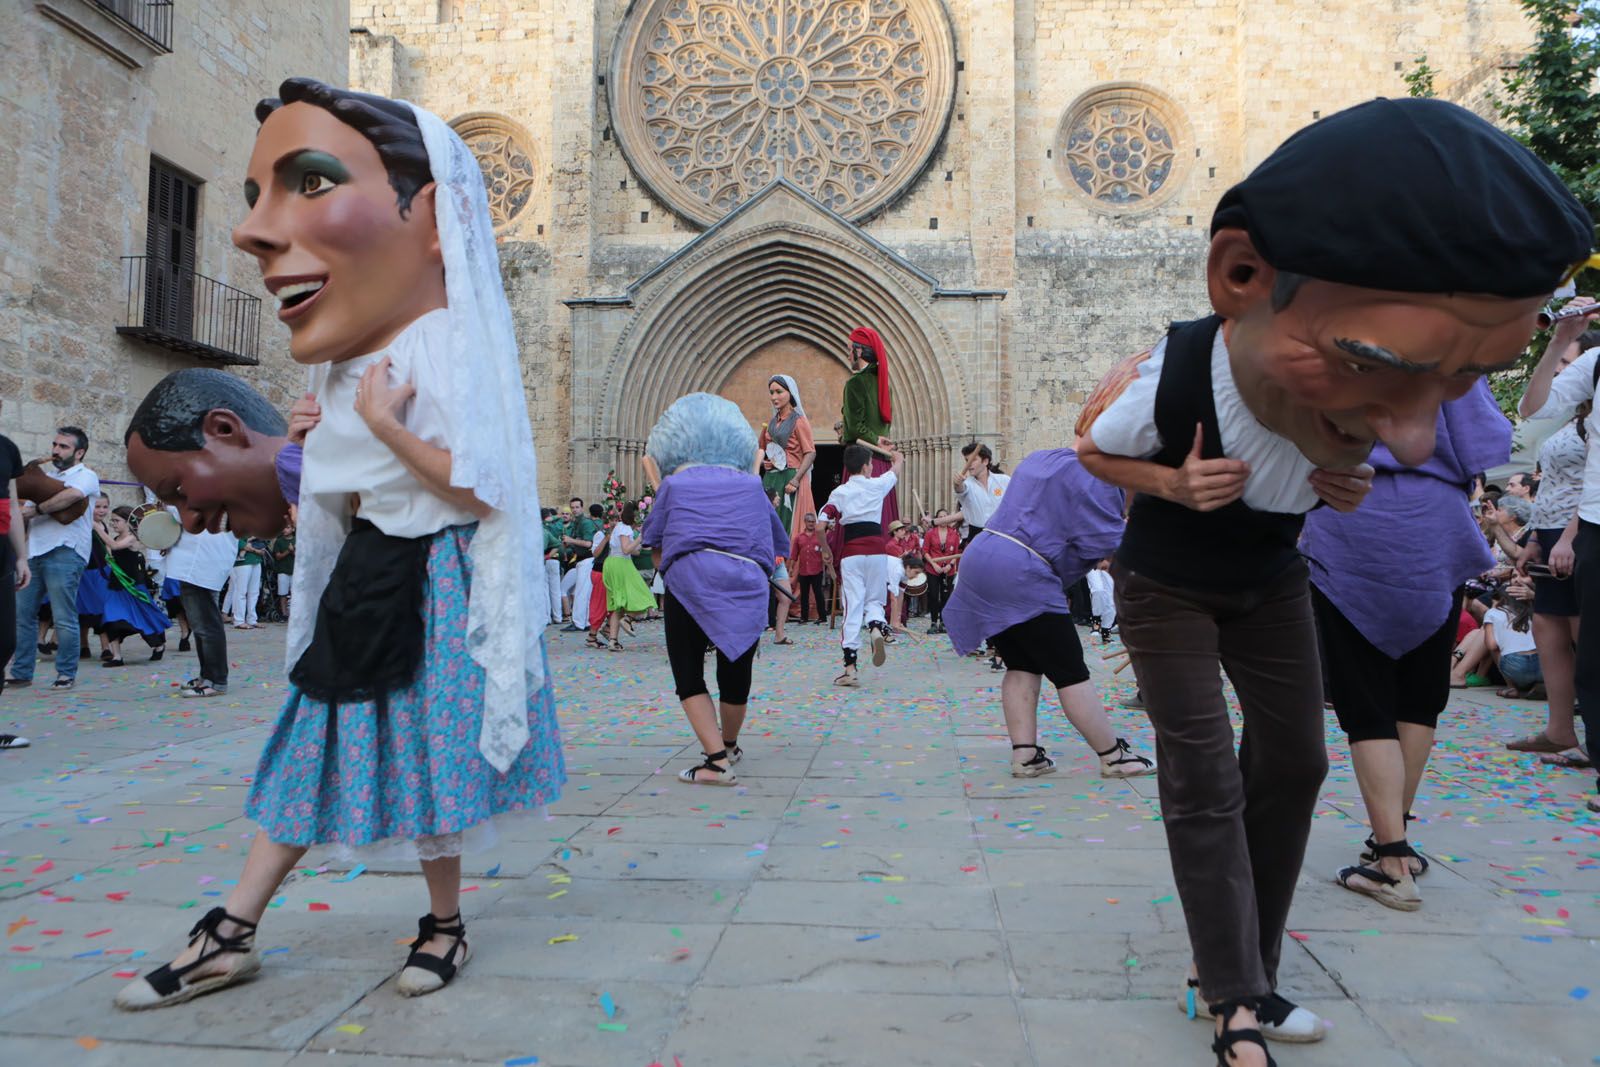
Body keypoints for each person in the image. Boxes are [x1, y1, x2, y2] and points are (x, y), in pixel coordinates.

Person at [1075, 97, 1591, 1064]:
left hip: (1270, 573)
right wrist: (1171, 482)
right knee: (1199, 771)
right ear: (1242, 277)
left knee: (1299, 761)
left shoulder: (1373, 408)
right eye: (1374, 364)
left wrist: (1336, 486)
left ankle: (1239, 968)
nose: (1412, 434)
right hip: (1169, 580)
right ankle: (1236, 995)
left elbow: (1372, 455)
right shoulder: (1177, 371)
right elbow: (1090, 452)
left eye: (1457, 380)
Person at [116, 78, 563, 1010]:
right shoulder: (359, 345)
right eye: (255, 198)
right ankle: (242, 925)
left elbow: (481, 485)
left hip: (431, 574)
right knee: (325, 738)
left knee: (408, 751)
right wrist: (330, 437)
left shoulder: (441, 342)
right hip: (377, 568)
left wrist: (384, 428)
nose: (255, 230)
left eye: (311, 183)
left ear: (432, 216)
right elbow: (366, 484)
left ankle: (305, 927)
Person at [1304, 381, 1508, 913]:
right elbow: (1488, 443)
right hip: (1434, 526)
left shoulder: (1332, 347)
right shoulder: (1449, 346)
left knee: (1365, 700)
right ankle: (1390, 844)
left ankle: (1391, 859)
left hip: (1350, 518)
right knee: (1419, 697)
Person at [942, 448, 1155, 780]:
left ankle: (1025, 755)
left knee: (1022, 663)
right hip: (1021, 571)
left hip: (982, 556)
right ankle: (1113, 757)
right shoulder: (1104, 486)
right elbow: (1112, 549)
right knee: (1070, 671)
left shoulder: (1048, 460)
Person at [640, 393, 789, 785]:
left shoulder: (674, 486)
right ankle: (730, 744)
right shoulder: (750, 487)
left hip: (690, 583)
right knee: (736, 671)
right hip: (745, 585)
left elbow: (656, 551)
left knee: (689, 673)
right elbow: (771, 546)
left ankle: (715, 761)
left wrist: (660, 485)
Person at [1508, 324, 1595, 766]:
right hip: (1551, 533)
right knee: (1549, 627)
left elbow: (1591, 486)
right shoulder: (1570, 419)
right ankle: (1560, 729)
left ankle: (1590, 742)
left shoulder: (1592, 425)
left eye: (1568, 364)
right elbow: (1555, 484)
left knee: (1586, 639)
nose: (1563, 371)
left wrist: (1568, 537)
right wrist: (1535, 540)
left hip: (1579, 534)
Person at [7, 426, 99, 692]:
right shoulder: (45, 476)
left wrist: (36, 510)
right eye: (55, 445)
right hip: (34, 551)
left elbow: (71, 497)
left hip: (66, 550)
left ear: (79, 452)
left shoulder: (87, 475)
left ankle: (65, 673)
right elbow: (21, 512)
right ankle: (22, 672)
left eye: (64, 447)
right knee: (22, 614)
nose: (56, 451)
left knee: (63, 615)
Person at [817, 443, 901, 687]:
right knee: (874, 600)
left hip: (852, 552)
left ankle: (850, 668)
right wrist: (896, 454)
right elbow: (897, 467)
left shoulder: (839, 493)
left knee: (852, 605)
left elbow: (821, 525)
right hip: (877, 551)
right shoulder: (877, 484)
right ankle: (875, 626)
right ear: (866, 467)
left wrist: (825, 551)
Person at [838, 326, 898, 527]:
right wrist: (878, 439)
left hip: (861, 461)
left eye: (849, 350)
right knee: (883, 521)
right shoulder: (882, 384)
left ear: (859, 351)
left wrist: (849, 433)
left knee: (856, 520)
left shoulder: (856, 383)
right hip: (882, 462)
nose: (848, 355)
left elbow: (855, 428)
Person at [97, 506, 172, 666]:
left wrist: (96, 527)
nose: (113, 524)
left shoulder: (131, 539)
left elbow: (115, 547)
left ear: (128, 522)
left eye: (117, 520)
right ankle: (117, 657)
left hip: (134, 588)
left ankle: (158, 645)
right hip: (116, 586)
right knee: (111, 618)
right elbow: (111, 551)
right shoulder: (116, 538)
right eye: (112, 521)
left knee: (142, 618)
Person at [0, 399, 31, 746]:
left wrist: (22, 557)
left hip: (1, 555)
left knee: (5, 641)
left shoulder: (6, 448)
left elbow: (11, 505)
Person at [758, 374, 817, 539]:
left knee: (787, 526)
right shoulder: (770, 423)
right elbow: (763, 450)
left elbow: (810, 452)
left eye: (779, 391)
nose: (774, 397)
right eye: (771, 392)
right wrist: (766, 463)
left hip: (790, 479)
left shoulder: (799, 421)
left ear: (790, 393)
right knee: (768, 524)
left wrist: (796, 479)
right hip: (771, 480)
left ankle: (787, 563)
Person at [602, 501, 656, 651]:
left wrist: (644, 544)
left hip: (614, 562)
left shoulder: (620, 528)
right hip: (621, 564)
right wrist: (640, 538)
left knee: (618, 604)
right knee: (645, 597)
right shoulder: (625, 528)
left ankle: (613, 641)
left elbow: (635, 551)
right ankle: (628, 619)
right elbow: (626, 550)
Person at [949, 442, 1010, 542]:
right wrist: (957, 484)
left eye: (973, 460)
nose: (969, 464)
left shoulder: (1004, 480)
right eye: (967, 460)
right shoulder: (967, 484)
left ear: (985, 461)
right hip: (977, 536)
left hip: (1002, 534)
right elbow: (960, 490)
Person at [560, 497, 601, 632]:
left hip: (587, 560)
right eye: (572, 507)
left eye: (577, 507)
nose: (574, 510)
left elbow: (588, 543)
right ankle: (585, 621)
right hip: (581, 560)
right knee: (582, 591)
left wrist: (571, 540)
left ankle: (578, 622)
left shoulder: (585, 523)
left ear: (582, 508)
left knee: (581, 592)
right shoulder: (577, 523)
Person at [921, 508, 960, 635]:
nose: (943, 519)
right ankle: (933, 622)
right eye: (940, 516)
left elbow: (956, 553)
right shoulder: (930, 533)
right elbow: (925, 551)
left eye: (945, 516)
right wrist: (933, 564)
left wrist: (950, 565)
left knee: (946, 596)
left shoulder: (954, 533)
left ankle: (943, 622)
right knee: (933, 595)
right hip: (933, 568)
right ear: (936, 519)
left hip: (948, 570)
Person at [791, 512, 827, 624]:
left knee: (818, 593)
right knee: (804, 595)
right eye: (809, 521)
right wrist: (791, 568)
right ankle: (804, 618)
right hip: (803, 570)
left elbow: (826, 550)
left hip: (817, 569)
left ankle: (822, 617)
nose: (811, 524)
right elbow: (794, 554)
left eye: (813, 522)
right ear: (805, 522)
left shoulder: (820, 536)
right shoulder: (798, 537)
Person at [227, 536, 267, 629]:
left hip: (255, 559)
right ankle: (239, 620)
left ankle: (252, 619)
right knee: (241, 591)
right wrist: (255, 550)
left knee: (254, 592)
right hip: (242, 562)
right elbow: (238, 543)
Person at [541, 507, 564, 625]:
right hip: (555, 558)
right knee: (556, 590)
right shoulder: (558, 525)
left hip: (545, 559)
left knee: (545, 590)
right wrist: (558, 516)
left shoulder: (542, 527)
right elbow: (558, 543)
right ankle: (558, 617)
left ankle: (547, 617)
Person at [1086, 559, 1116, 643]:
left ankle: (1106, 634)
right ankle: (1096, 622)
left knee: (1111, 600)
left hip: (1109, 562)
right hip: (1092, 562)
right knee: (1098, 590)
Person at [270, 524, 296, 620]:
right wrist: (288, 551)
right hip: (282, 571)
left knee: (295, 593)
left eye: (288, 527)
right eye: (284, 527)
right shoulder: (279, 541)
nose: (285, 529)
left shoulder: (297, 540)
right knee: (283, 593)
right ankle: (284, 614)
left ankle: (293, 613)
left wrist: (293, 552)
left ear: (293, 529)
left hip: (294, 571)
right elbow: (278, 556)